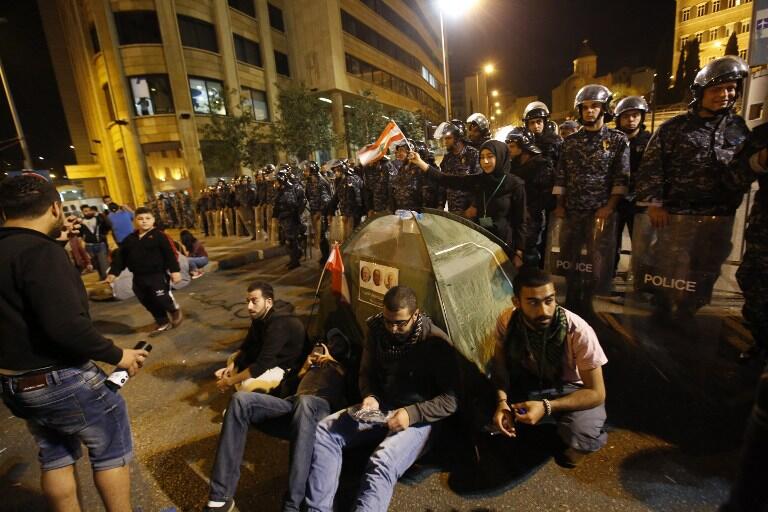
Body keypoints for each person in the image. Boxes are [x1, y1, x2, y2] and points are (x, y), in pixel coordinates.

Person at [0, 174, 148, 512]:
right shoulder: (40, 252)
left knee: (54, 457)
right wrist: (119, 355)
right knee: (110, 452)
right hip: (60, 379)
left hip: (15, 383)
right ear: (55, 207)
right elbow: (67, 327)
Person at [305, 286, 459, 512]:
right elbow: (366, 373)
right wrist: (370, 396)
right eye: (388, 321)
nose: (393, 329)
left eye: (400, 323)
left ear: (416, 315)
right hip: (383, 406)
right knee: (325, 432)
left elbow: (452, 399)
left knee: (382, 461)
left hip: (420, 416)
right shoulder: (377, 330)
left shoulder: (435, 341)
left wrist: (411, 413)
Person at [635, 56, 751, 317]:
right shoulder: (674, 129)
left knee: (707, 268)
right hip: (677, 216)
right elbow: (652, 167)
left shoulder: (738, 129)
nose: (724, 94)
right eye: (717, 89)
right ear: (701, 93)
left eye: (730, 88)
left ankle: (689, 312)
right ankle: (662, 311)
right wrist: (655, 203)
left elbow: (745, 169)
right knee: (669, 267)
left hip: (718, 217)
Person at [204, 332, 349, 512]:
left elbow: (352, 393)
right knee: (240, 400)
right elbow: (283, 391)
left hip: (321, 409)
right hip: (293, 405)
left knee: (305, 403)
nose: (320, 352)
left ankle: (292, 506)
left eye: (329, 347)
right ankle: (220, 498)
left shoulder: (342, 368)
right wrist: (303, 370)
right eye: (319, 348)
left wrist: (333, 362)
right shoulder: (308, 367)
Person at [491, 268, 608, 468]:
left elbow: (597, 393)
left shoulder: (578, 331)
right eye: (533, 302)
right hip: (531, 382)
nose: (544, 311)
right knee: (480, 409)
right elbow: (499, 366)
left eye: (549, 300)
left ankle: (561, 432)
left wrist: (547, 406)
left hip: (572, 388)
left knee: (580, 435)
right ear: (517, 303)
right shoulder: (508, 321)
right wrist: (501, 401)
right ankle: (533, 425)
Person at [552, 84, 630, 314]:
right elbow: (561, 175)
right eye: (584, 107)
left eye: (594, 106)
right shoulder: (570, 142)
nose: (589, 111)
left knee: (598, 262)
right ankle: (572, 299)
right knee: (569, 258)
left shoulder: (617, 140)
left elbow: (621, 177)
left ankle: (590, 302)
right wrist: (560, 206)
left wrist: (609, 207)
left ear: (604, 109)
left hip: (600, 213)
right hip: (573, 211)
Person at [411, 140, 527, 266]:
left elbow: (521, 221)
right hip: (481, 241)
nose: (485, 162)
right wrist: (420, 163)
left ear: (500, 156)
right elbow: (446, 179)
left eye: (490, 156)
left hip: (504, 244)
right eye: (482, 157)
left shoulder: (515, 184)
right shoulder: (479, 180)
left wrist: (519, 252)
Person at [213, 282, 305, 394]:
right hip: (269, 358)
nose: (249, 306)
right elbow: (248, 343)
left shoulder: (279, 323)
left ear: (269, 302)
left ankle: (243, 385)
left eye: (254, 301)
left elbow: (262, 364)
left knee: (247, 388)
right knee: (232, 359)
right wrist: (233, 365)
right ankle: (238, 378)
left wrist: (230, 381)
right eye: (248, 301)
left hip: (286, 366)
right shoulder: (260, 314)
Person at [105, 207, 183, 334]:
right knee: (147, 300)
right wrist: (113, 273)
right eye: (140, 219)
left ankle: (174, 310)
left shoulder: (160, 236)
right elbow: (120, 258)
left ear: (153, 220)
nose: (144, 221)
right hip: (138, 277)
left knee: (161, 297)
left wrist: (175, 271)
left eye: (147, 218)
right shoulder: (129, 239)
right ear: (134, 221)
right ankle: (162, 320)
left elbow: (169, 254)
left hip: (157, 275)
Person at [613, 96, 652, 275]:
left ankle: (638, 280)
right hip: (615, 201)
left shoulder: (650, 141)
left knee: (641, 244)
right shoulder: (612, 141)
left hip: (639, 202)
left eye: (635, 115)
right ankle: (608, 274)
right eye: (626, 116)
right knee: (610, 241)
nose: (631, 120)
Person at [507, 127, 555, 267]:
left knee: (529, 251)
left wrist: (530, 210)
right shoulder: (513, 165)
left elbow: (547, 194)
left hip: (531, 217)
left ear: (524, 147)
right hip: (516, 216)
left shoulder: (541, 165)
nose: (509, 149)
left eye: (512, 146)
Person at [433, 120, 480, 216]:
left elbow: (480, 184)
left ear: (458, 138)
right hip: (453, 211)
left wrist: (474, 206)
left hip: (469, 212)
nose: (445, 142)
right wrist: (440, 205)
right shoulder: (447, 158)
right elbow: (443, 182)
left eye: (448, 138)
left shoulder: (473, 154)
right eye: (445, 139)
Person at [273, 168, 305, 270]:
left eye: (276, 182)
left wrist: (283, 214)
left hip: (289, 220)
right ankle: (293, 259)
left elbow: (291, 205)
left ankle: (295, 261)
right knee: (289, 241)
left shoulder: (288, 191)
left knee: (291, 241)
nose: (275, 184)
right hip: (285, 220)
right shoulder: (282, 190)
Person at [328, 159, 364, 240]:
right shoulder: (341, 181)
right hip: (346, 214)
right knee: (346, 239)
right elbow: (336, 198)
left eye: (337, 170)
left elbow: (355, 199)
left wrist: (347, 215)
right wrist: (330, 212)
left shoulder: (351, 179)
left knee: (352, 239)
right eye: (334, 171)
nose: (336, 173)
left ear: (342, 169)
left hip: (354, 214)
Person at [302, 161, 333, 250]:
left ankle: (323, 254)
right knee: (316, 233)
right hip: (313, 210)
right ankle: (320, 252)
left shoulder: (321, 182)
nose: (304, 172)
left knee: (322, 235)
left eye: (306, 170)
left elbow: (326, 199)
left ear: (312, 171)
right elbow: (307, 195)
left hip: (321, 213)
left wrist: (320, 212)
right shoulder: (309, 182)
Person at [522, 101, 563, 169]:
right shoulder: (524, 143)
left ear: (544, 123)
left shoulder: (556, 142)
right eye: (532, 123)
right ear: (527, 125)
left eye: (539, 122)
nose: (536, 126)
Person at [390, 140, 424, 212]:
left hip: (416, 212)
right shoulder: (402, 169)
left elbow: (426, 193)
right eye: (398, 151)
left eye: (402, 150)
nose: (399, 154)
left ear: (410, 151)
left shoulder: (419, 168)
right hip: (401, 210)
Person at [79, 204, 112, 280]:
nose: (88, 212)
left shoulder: (98, 219)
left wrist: (101, 215)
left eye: (89, 210)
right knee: (96, 264)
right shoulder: (81, 222)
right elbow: (80, 234)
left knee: (103, 263)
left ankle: (107, 278)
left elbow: (108, 225)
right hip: (89, 245)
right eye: (85, 211)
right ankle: (102, 277)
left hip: (100, 244)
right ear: (82, 212)